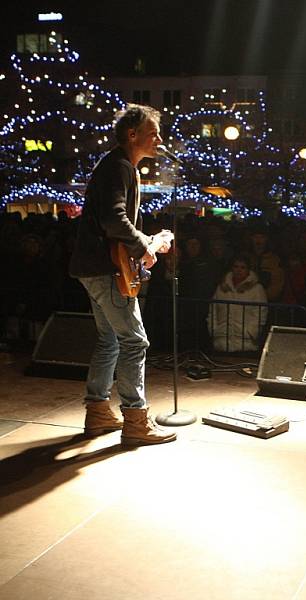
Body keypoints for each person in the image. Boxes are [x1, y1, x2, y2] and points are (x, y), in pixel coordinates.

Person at [68, 104, 176, 445]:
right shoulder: (119, 166)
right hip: (105, 268)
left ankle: (99, 411)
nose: (159, 138)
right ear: (133, 135)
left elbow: (113, 221)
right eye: (153, 132)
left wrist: (146, 242)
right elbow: (114, 220)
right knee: (134, 340)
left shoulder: (117, 165)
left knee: (110, 339)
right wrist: (147, 243)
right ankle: (135, 419)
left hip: (93, 267)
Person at [208, 254, 268, 352]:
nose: (239, 270)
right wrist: (214, 330)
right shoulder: (222, 288)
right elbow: (213, 310)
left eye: (243, 267)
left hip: (245, 342)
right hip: (222, 340)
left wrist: (251, 332)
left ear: (248, 270)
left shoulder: (257, 289)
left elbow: (260, 313)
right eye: (236, 267)